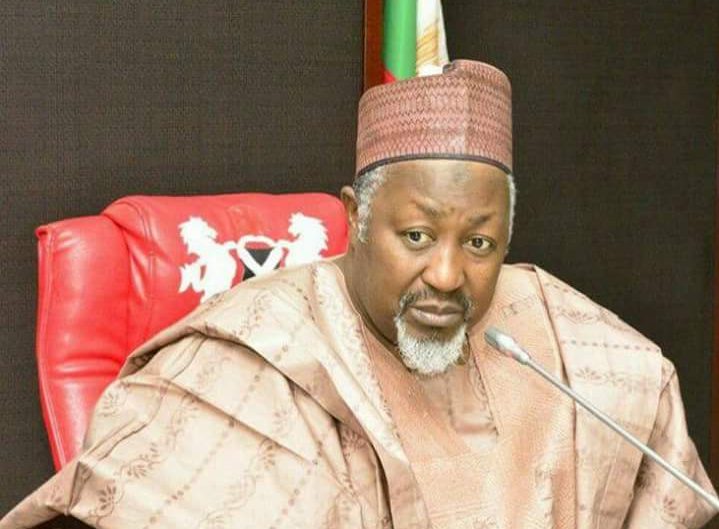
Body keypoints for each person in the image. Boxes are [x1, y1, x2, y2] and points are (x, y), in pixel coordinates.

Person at [1, 59, 716, 529]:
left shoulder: (562, 340)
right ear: (356, 219)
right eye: (416, 236)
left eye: (479, 244)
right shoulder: (237, 363)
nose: (446, 275)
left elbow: (667, 470)